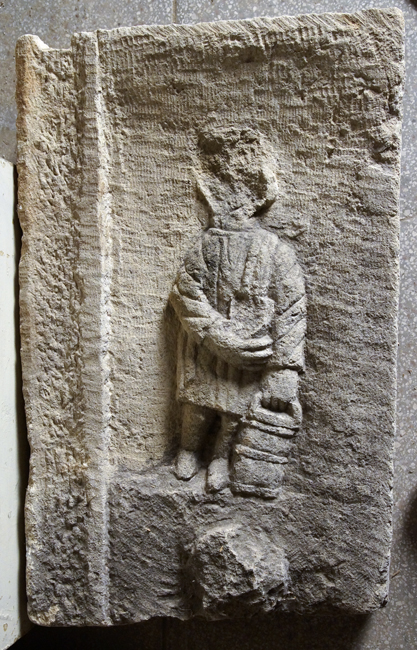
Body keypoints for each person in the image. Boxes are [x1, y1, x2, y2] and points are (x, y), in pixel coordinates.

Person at [169, 128, 306, 492]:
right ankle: (188, 449)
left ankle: (220, 457)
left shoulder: (276, 253)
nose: (224, 202)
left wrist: (284, 371)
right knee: (197, 406)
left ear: (255, 198)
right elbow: (184, 291)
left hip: (250, 350)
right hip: (205, 347)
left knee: (234, 412)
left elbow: (292, 311)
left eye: (236, 193)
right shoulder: (206, 245)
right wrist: (213, 333)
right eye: (219, 194)